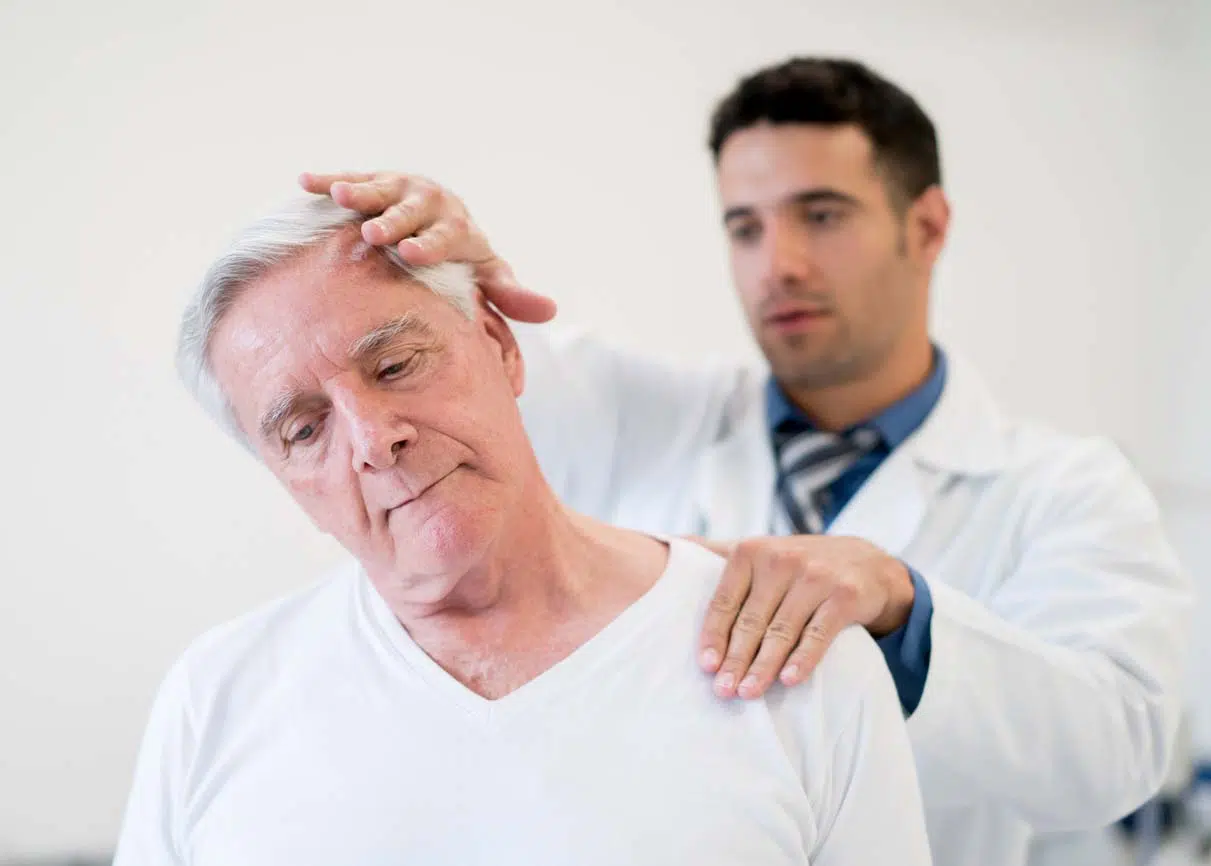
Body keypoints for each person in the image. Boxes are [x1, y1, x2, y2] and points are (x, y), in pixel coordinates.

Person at [299, 56, 1193, 866]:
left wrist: (899, 610)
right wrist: (449, 274)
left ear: (924, 227)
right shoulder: (634, 418)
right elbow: (465, 383)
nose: (780, 265)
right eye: (745, 227)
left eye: (821, 215)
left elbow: (1118, 751)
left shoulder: (1061, 486)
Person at [112, 195, 932, 865]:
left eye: (395, 365)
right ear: (283, 480)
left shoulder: (788, 656)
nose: (372, 439)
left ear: (499, 345)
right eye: (302, 428)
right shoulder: (216, 695)